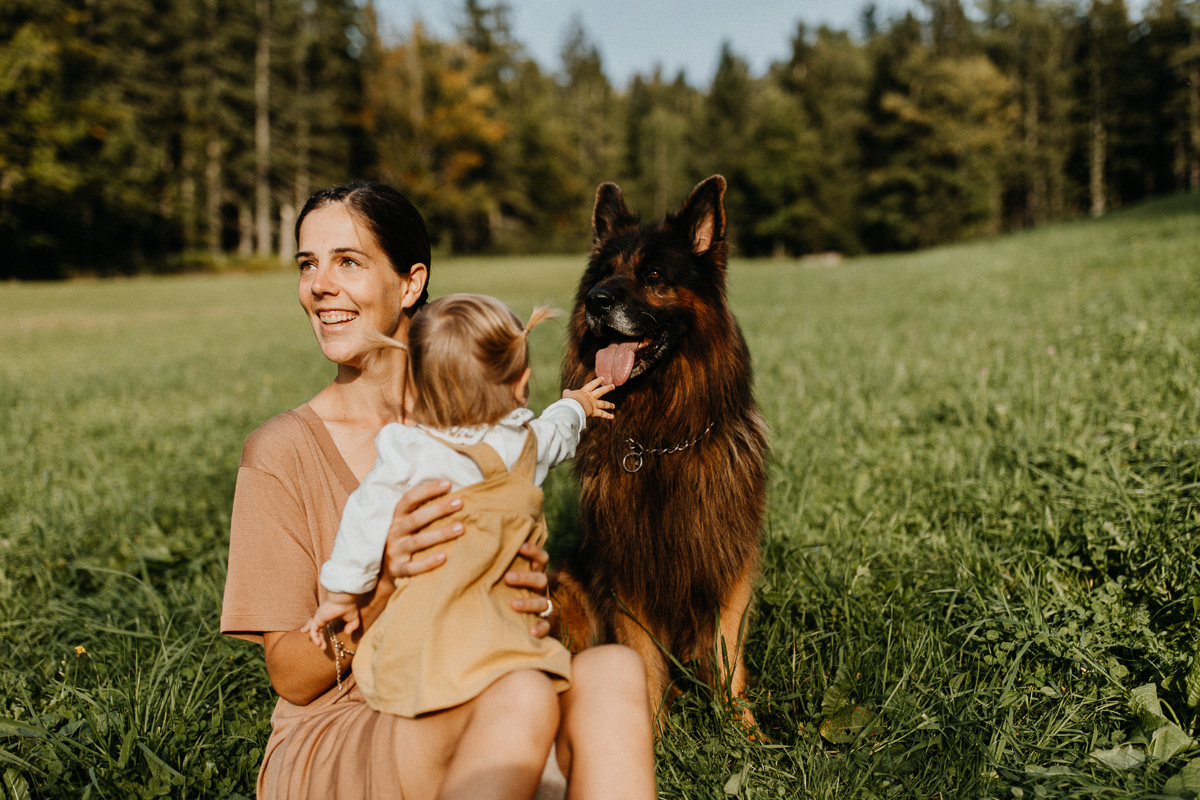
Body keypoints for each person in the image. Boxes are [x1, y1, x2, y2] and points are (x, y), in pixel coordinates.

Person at [220, 182, 656, 800]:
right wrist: (386, 586)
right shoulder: (281, 452)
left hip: (481, 683)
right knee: (524, 695)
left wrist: (531, 599)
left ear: (410, 283)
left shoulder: (495, 430)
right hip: (347, 724)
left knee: (612, 671)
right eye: (307, 264)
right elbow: (292, 676)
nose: (319, 285)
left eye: (347, 261)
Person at [301, 293, 615, 724]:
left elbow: (366, 514)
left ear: (417, 391)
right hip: (505, 626)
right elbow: (559, 429)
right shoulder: (528, 445)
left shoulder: (410, 450)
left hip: (428, 630)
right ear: (521, 386)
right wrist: (579, 404)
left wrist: (343, 593)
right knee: (526, 701)